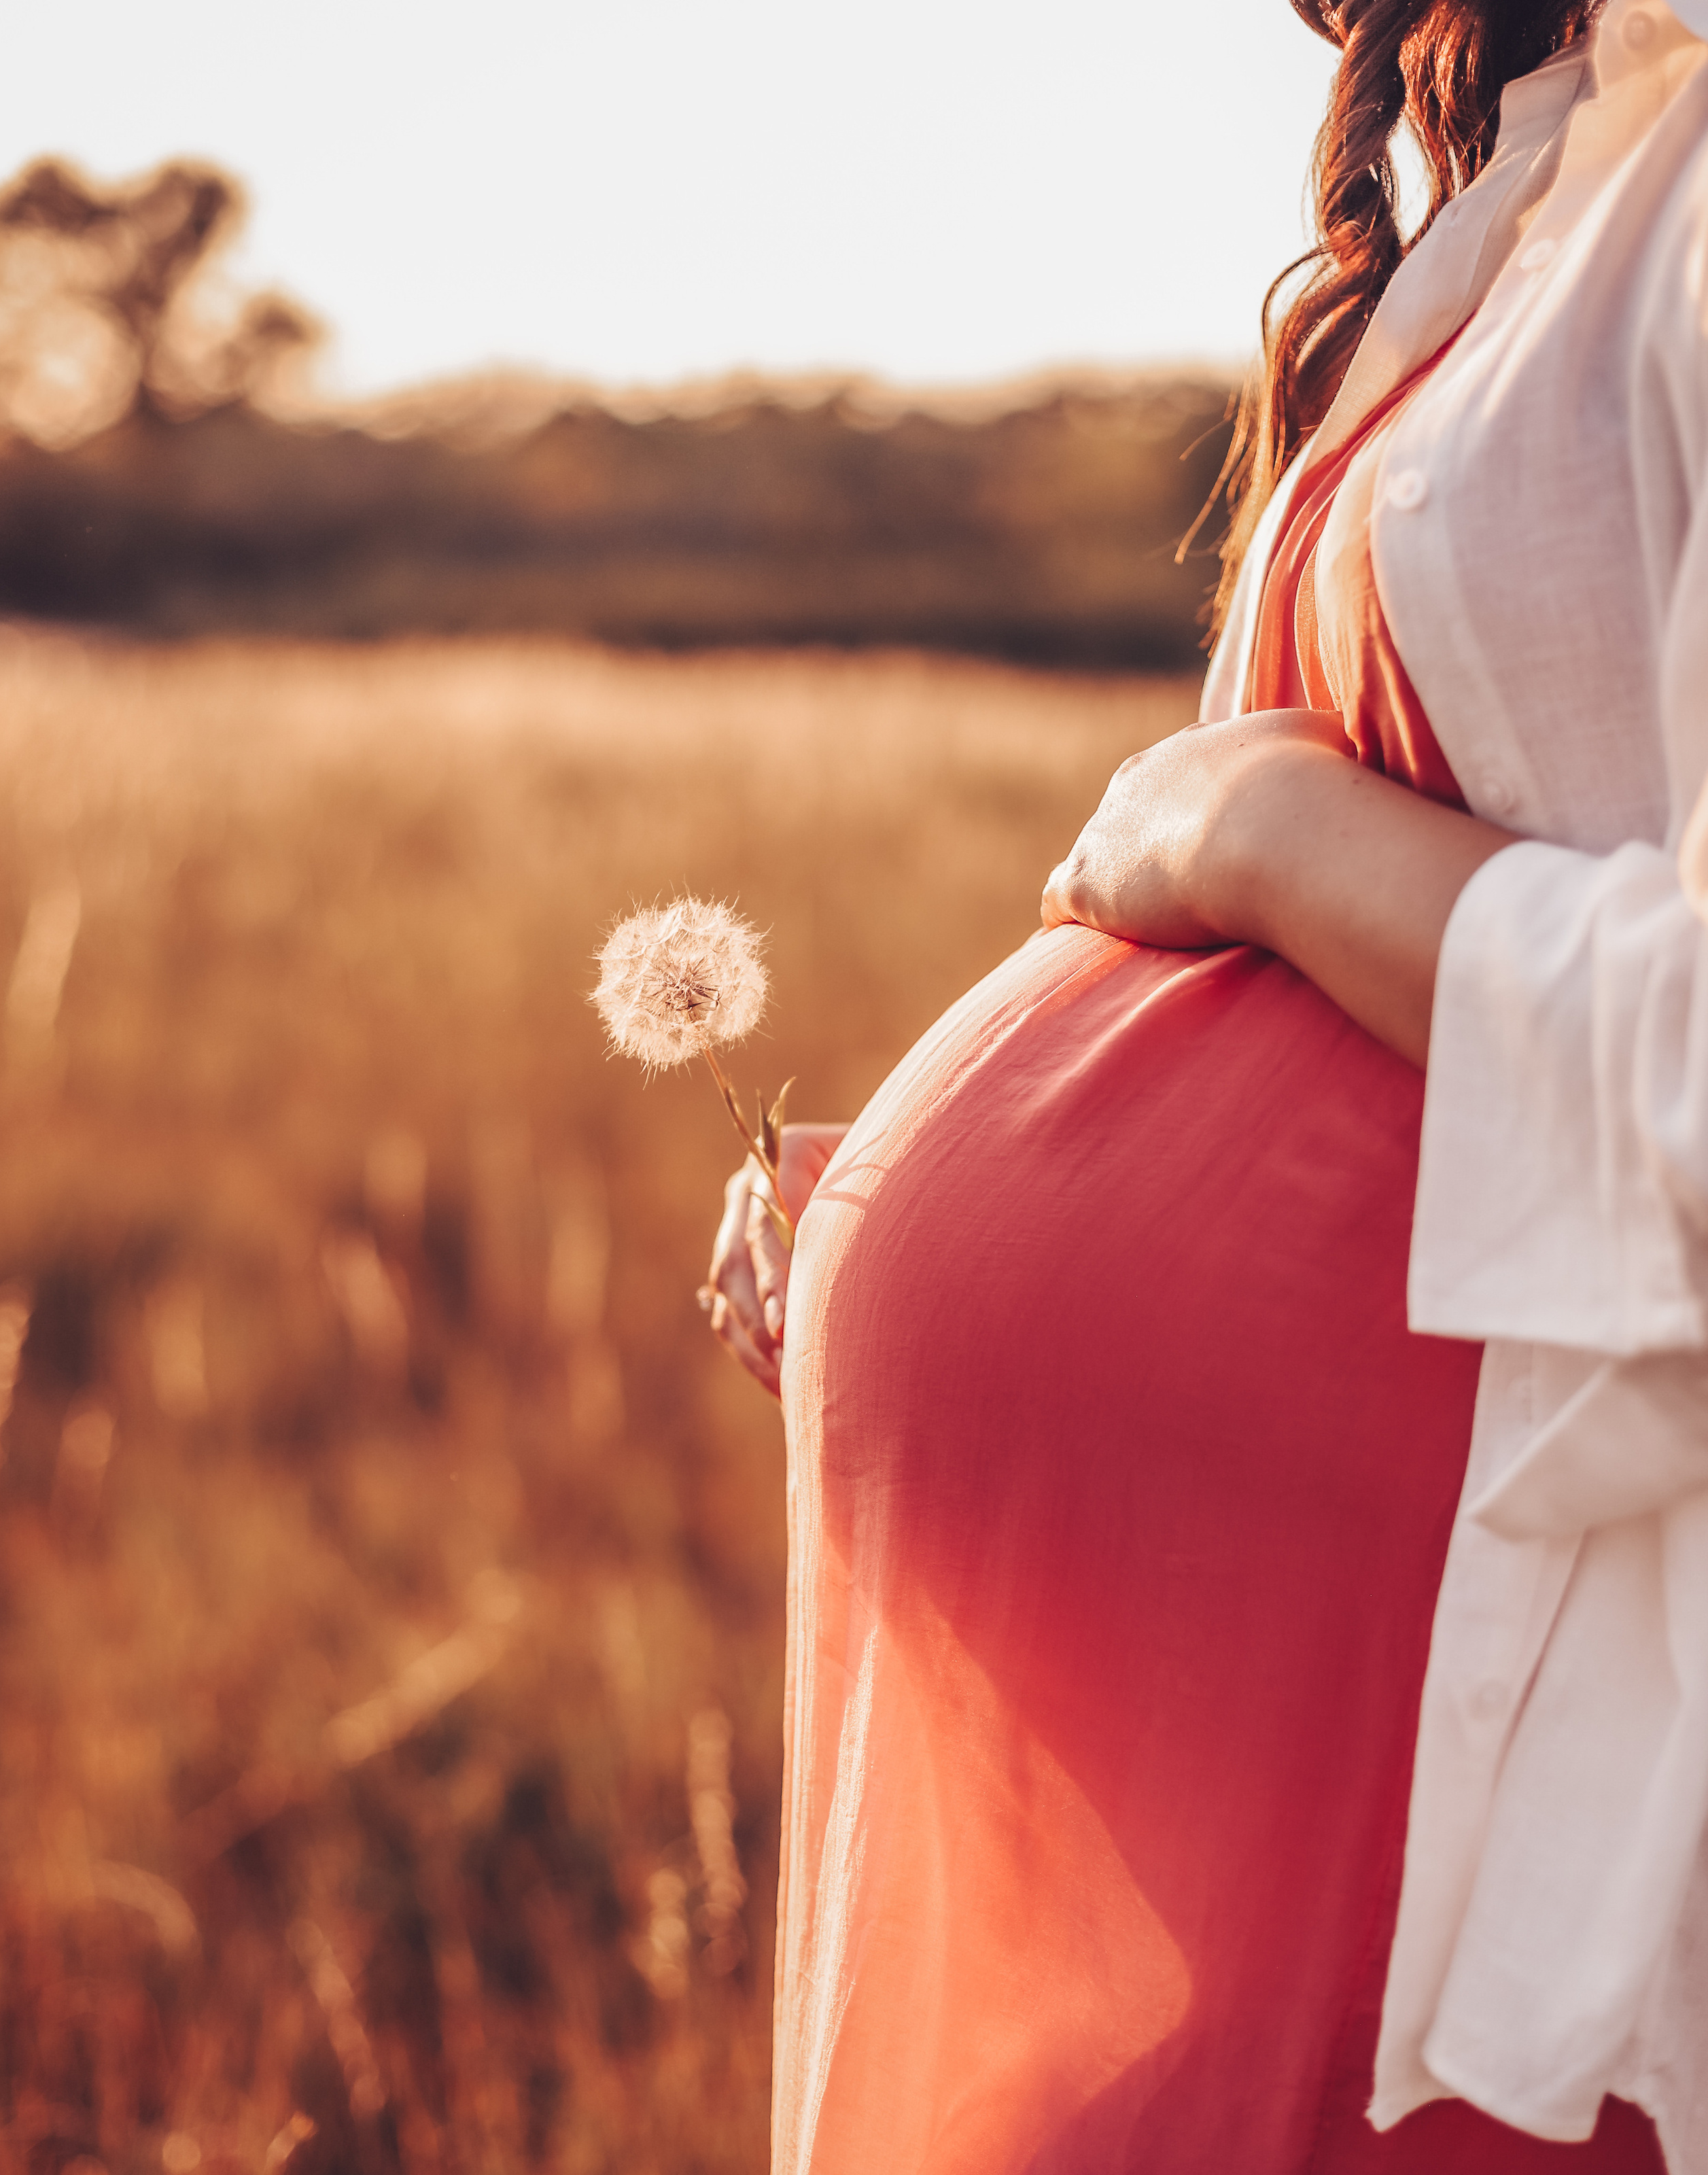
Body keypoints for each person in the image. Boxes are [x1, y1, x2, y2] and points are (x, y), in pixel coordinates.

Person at [705, 0, 1708, 2167]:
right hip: (1238, 1765)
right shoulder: (1542, 168)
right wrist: (921, 1203)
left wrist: (1258, 835)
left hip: (1509, 1780)